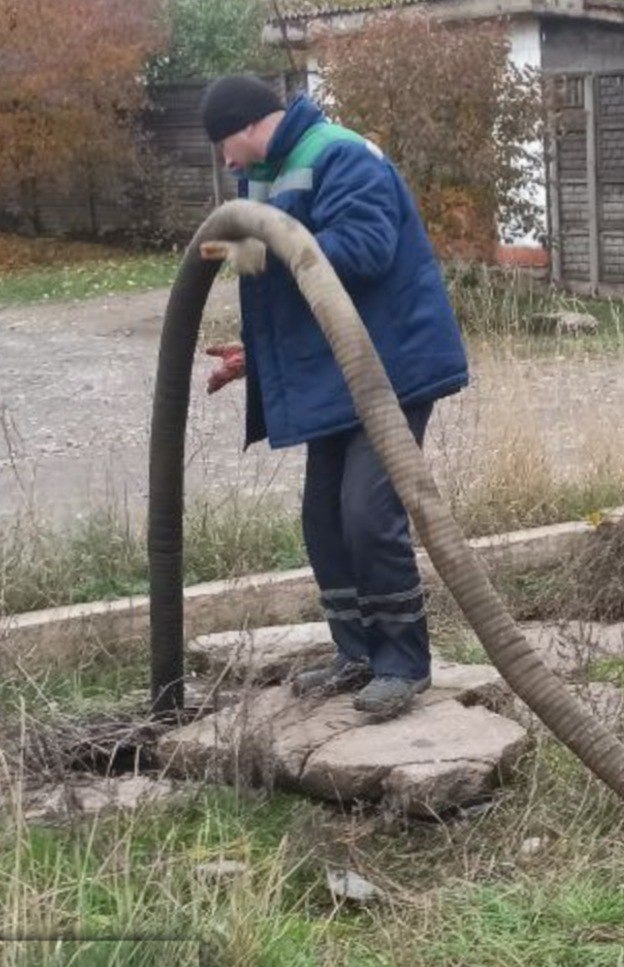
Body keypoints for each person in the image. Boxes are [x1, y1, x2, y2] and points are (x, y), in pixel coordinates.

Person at [200, 75, 468, 719]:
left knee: (368, 516)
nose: (222, 160)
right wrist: (255, 356)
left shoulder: (339, 155)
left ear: (244, 127)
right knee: (323, 521)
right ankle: (357, 653)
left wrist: (270, 239)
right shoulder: (258, 178)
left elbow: (368, 251)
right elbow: (267, 286)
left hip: (389, 367)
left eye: (220, 144)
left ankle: (404, 663)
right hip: (335, 373)